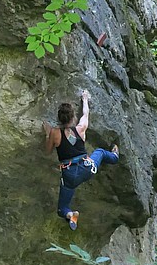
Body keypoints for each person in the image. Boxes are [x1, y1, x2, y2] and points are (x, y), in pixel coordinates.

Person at [43, 89, 119, 230]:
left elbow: (47, 152)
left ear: (59, 119)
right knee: (100, 152)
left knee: (62, 208)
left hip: (70, 174)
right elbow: (86, 114)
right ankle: (114, 157)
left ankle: (70, 214)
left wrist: (48, 135)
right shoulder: (81, 128)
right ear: (73, 118)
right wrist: (85, 99)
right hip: (86, 168)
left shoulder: (54, 133)